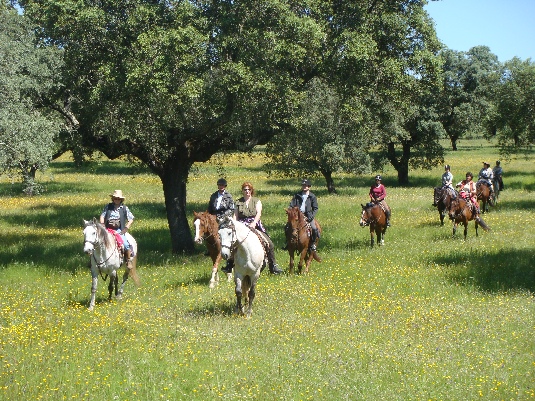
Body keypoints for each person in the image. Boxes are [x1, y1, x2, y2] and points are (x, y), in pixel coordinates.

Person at [234, 182, 282, 274]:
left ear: (251, 190)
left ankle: (273, 266)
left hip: (254, 224)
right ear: (242, 191)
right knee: (232, 243)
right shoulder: (238, 202)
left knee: (269, 243)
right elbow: (235, 216)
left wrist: (254, 223)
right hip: (241, 225)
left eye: (249, 189)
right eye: (245, 189)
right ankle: (229, 264)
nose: (247, 191)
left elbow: (258, 213)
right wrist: (234, 225)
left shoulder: (257, 201)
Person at [100, 189, 135, 269]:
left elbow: (131, 219)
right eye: (115, 198)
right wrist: (102, 224)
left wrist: (126, 228)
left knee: (125, 244)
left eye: (119, 199)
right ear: (113, 199)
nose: (117, 200)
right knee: (97, 241)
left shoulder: (124, 208)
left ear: (121, 199)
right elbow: (102, 216)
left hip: (119, 230)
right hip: (107, 228)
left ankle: (128, 260)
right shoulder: (108, 207)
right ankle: (93, 261)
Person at [208, 178, 235, 272]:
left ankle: (227, 247)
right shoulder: (213, 196)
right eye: (219, 185)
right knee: (207, 232)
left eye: (222, 185)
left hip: (225, 218)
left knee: (226, 231)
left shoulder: (229, 196)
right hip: (214, 217)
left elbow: (231, 209)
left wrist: (223, 217)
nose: (221, 187)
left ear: (225, 186)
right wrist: (210, 218)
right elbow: (210, 208)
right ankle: (209, 248)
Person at [285, 179, 320, 251]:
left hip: (308, 215)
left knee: (314, 228)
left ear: (309, 187)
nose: (304, 186)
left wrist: (311, 216)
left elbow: (315, 208)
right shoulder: (297, 195)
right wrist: (290, 211)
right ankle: (287, 242)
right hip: (297, 216)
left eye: (306, 185)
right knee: (287, 227)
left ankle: (312, 244)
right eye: (303, 185)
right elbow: (291, 205)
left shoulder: (312, 196)